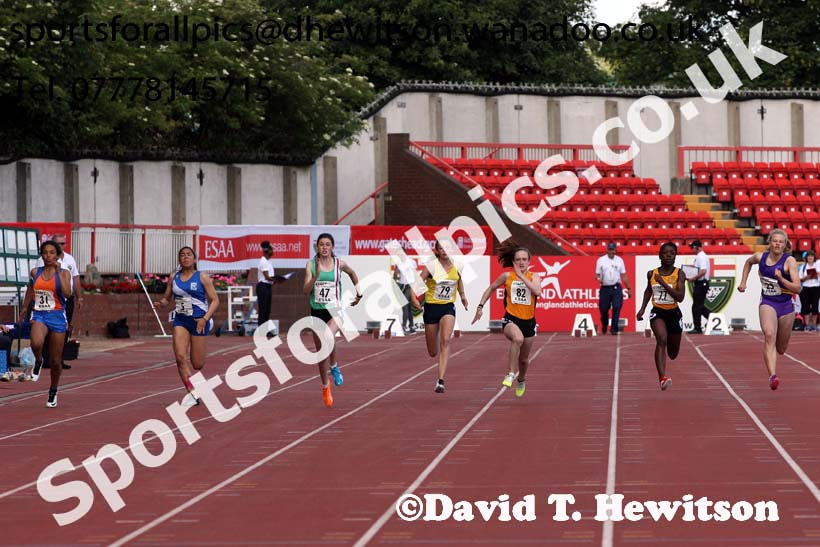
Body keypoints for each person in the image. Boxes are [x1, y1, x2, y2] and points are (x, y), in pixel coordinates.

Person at [472, 240, 541, 397]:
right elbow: (491, 288)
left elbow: (537, 291)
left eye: (524, 259)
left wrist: (522, 277)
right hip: (511, 319)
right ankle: (510, 373)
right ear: (513, 261)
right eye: (518, 260)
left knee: (524, 360)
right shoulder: (506, 276)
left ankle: (521, 379)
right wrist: (480, 307)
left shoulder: (534, 276)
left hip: (529, 322)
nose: (521, 262)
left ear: (529, 261)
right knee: (517, 338)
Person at [154, 247, 219, 406]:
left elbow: (215, 300)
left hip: (198, 322)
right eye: (182, 255)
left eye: (188, 255)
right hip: (181, 321)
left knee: (197, 364)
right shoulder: (173, 277)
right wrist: (161, 303)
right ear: (179, 260)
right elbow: (167, 298)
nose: (185, 257)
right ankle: (193, 392)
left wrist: (205, 318)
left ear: (194, 259)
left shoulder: (202, 277)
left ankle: (197, 384)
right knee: (180, 358)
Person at [303, 232, 362, 407]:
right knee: (321, 353)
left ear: (332, 247)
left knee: (328, 335)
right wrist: (316, 276)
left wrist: (359, 293)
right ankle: (325, 387)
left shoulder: (339, 264)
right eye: (321, 244)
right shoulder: (311, 265)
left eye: (328, 244)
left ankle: (334, 365)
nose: (324, 247)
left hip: (335, 309)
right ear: (317, 247)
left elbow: (352, 273)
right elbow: (305, 290)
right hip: (316, 311)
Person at [738, 229, 801, 390]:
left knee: (781, 348)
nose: (777, 244)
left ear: (785, 244)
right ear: (770, 243)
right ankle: (773, 376)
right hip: (768, 302)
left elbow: (797, 288)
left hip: (786, 306)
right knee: (769, 335)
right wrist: (743, 282)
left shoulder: (789, 261)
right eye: (775, 241)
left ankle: (775, 362)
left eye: (781, 241)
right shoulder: (761, 257)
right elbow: (748, 262)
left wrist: (780, 279)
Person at [17, 240, 72, 407]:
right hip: (39, 314)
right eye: (45, 252)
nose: (48, 256)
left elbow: (67, 294)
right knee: (36, 343)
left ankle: (53, 390)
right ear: (42, 255)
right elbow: (30, 289)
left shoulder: (64, 272)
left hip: (57, 316)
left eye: (52, 253)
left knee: (56, 362)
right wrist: (25, 307)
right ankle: (39, 360)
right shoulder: (35, 272)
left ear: (57, 255)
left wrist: (59, 273)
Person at [410, 240, 468, 393]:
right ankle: (434, 343)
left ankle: (440, 380)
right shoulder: (431, 267)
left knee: (445, 340)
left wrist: (462, 296)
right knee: (432, 352)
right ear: (437, 251)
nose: (444, 251)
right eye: (441, 248)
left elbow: (458, 279)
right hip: (431, 308)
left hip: (448, 307)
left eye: (447, 248)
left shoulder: (458, 265)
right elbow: (416, 284)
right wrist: (413, 298)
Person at [636, 242, 687, 391]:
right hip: (658, 312)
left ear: (675, 256)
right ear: (660, 255)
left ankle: (666, 367)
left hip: (674, 313)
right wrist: (642, 309)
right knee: (661, 339)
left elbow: (680, 297)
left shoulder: (679, 274)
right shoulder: (651, 274)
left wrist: (663, 282)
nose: (669, 255)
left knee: (673, 353)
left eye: (672, 253)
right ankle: (662, 378)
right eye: (666, 253)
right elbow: (648, 290)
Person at [36, 233, 82, 369]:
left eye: (63, 243)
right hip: (50, 298)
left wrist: (80, 297)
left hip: (66, 297)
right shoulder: (43, 259)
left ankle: (58, 359)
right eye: (58, 244)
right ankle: (45, 358)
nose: (61, 246)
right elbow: (36, 279)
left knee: (63, 328)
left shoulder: (70, 259)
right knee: (46, 328)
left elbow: (76, 278)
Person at [596, 242, 632, 335]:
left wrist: (629, 288)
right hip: (605, 288)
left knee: (617, 307)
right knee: (603, 309)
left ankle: (614, 329)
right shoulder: (601, 260)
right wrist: (598, 278)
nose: (611, 251)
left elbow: (624, 275)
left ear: (615, 250)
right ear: (607, 249)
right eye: (609, 249)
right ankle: (604, 324)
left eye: (613, 249)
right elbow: (597, 274)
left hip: (616, 287)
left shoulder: (619, 260)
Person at [687, 240, 710, 334]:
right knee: (699, 305)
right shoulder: (700, 256)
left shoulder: (701, 257)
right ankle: (713, 319)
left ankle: (698, 327)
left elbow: (703, 271)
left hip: (701, 283)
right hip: (701, 283)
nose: (691, 249)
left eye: (692, 247)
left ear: (697, 247)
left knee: (697, 306)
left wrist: (693, 278)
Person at [393, 253, 418, 333]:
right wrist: (396, 272)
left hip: (410, 286)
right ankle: (411, 326)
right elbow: (395, 276)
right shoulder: (398, 263)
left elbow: (415, 274)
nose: (400, 256)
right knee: (408, 307)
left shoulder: (411, 261)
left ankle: (404, 326)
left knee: (405, 306)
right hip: (402, 286)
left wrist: (415, 285)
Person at [256, 240, 275, 333]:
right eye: (271, 250)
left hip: (268, 286)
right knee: (263, 309)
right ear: (267, 251)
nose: (273, 252)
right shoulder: (263, 261)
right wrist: (276, 279)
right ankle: (261, 331)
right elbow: (267, 276)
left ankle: (265, 330)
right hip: (263, 286)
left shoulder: (268, 261)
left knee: (267, 310)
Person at [799, 250, 820, 331]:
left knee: (815, 306)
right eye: (809, 256)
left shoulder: (817, 265)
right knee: (805, 306)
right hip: (806, 287)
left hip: (816, 287)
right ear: (806, 258)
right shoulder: (803, 267)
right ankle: (807, 325)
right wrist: (806, 277)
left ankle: (814, 325)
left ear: (814, 257)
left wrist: (816, 275)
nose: (810, 258)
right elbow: (800, 279)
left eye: (812, 256)